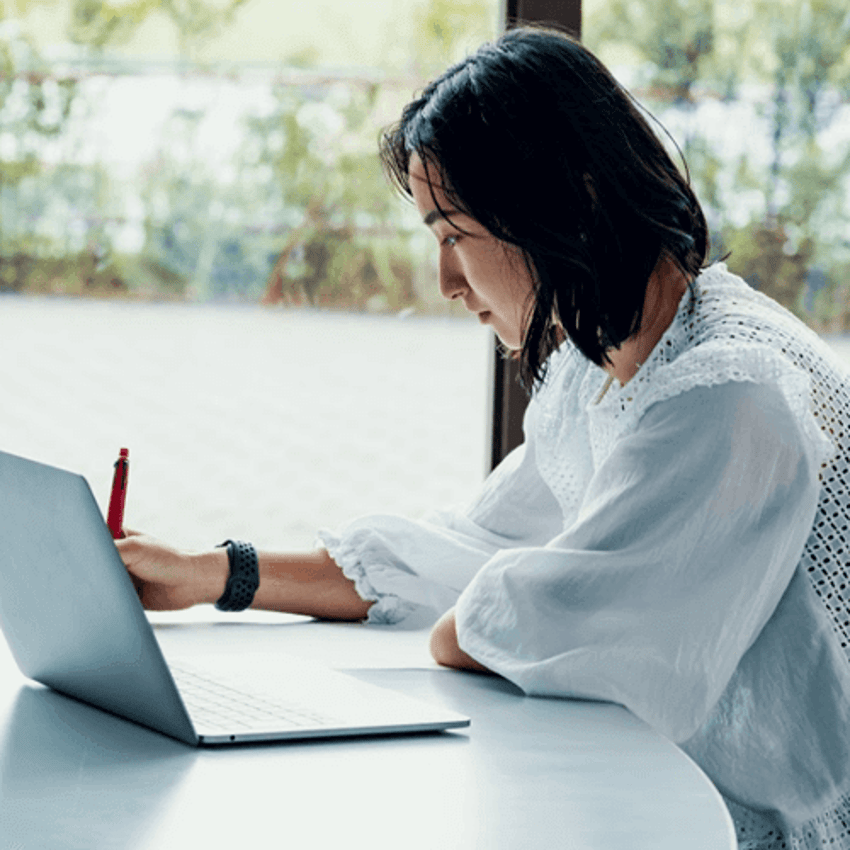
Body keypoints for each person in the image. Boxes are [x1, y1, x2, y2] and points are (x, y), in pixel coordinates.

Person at [118, 26, 850, 850]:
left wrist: (469, 622)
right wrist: (213, 573)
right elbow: (475, 550)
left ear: (565, 198)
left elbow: (546, 628)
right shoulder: (600, 357)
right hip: (647, 794)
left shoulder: (729, 395)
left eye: (453, 234)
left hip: (754, 828)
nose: (444, 281)